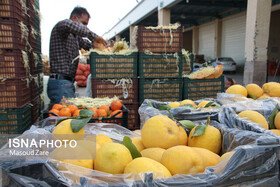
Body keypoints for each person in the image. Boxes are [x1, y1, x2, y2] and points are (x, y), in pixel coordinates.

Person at [47, 6, 107, 104]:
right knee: (63, 116)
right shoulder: (62, 26)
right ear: (74, 18)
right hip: (60, 83)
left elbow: (88, 45)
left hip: (67, 83)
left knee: (67, 115)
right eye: (83, 23)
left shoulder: (75, 38)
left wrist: (105, 47)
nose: (85, 27)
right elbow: (70, 25)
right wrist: (94, 36)